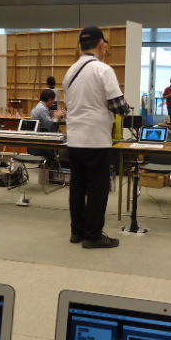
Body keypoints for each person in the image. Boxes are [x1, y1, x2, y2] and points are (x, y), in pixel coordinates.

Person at [63, 26, 130, 249]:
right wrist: (126, 108)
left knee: (77, 187)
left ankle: (77, 231)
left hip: (74, 138)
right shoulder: (103, 70)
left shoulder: (70, 71)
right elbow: (118, 105)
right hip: (96, 139)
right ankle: (93, 236)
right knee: (97, 189)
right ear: (101, 44)